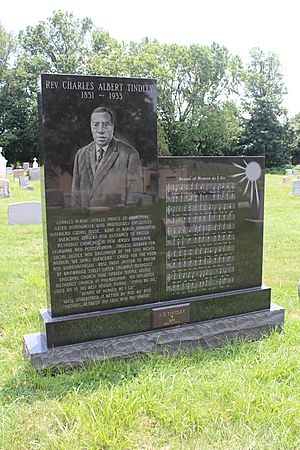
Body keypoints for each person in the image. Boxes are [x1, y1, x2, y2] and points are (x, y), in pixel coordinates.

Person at [71, 106, 143, 208]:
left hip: (114, 219)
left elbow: (134, 196)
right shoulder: (81, 154)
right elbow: (76, 194)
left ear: (112, 127)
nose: (100, 130)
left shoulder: (129, 154)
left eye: (106, 125)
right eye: (96, 125)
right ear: (91, 126)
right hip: (86, 220)